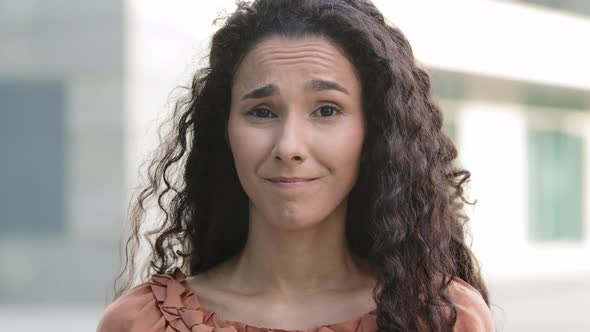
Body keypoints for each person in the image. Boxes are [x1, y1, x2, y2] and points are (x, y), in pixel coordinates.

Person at [97, 0, 495, 331]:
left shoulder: (444, 317)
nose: (289, 146)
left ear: (374, 133)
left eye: (326, 109)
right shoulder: (140, 322)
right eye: (262, 112)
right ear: (225, 133)